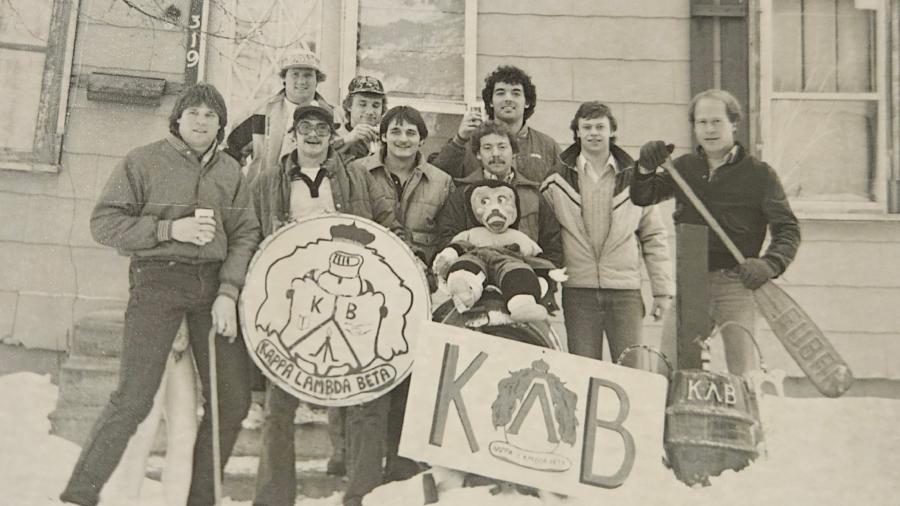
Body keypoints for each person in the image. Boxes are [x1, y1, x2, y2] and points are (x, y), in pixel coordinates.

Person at [60, 82, 261, 506]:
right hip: (157, 283)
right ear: (178, 119)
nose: (202, 121)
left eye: (211, 115)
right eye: (194, 114)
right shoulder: (144, 161)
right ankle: (79, 495)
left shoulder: (229, 171)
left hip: (211, 290)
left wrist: (228, 290)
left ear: (221, 124)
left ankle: (200, 499)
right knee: (133, 399)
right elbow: (105, 223)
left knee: (232, 401)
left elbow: (245, 233)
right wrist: (169, 230)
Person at [249, 103, 400, 506]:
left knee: (366, 400)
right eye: (305, 127)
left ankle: (362, 496)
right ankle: (273, 498)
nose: (313, 134)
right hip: (293, 303)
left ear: (332, 135)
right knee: (279, 406)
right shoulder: (268, 182)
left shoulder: (355, 177)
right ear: (293, 134)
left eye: (321, 127)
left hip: (350, 301)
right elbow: (249, 236)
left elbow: (387, 225)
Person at [631, 88, 801, 375]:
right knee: (669, 367)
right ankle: (674, 420)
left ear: (734, 123)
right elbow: (643, 195)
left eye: (716, 122)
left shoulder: (759, 174)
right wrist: (645, 168)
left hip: (738, 284)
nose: (709, 129)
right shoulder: (683, 168)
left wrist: (770, 264)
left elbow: (788, 229)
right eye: (702, 122)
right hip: (692, 281)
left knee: (741, 373)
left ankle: (748, 420)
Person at [343, 105, 454, 505]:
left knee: (413, 386)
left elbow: (447, 235)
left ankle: (403, 480)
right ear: (383, 136)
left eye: (411, 132)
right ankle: (361, 486)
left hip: (420, 294)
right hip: (371, 290)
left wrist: (431, 265)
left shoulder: (441, 182)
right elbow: (354, 222)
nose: (403, 139)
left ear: (422, 140)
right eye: (396, 131)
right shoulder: (358, 172)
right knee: (370, 387)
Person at [540, 102, 673, 367]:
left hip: (625, 292)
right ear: (576, 133)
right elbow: (545, 237)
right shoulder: (556, 180)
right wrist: (547, 289)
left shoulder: (637, 178)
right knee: (583, 371)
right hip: (579, 291)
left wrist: (662, 292)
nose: (593, 133)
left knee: (633, 371)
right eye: (586, 127)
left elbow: (654, 237)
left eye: (600, 126)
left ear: (612, 130)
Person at [436, 120, 562, 270]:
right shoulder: (463, 194)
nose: (495, 154)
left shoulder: (532, 195)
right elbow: (447, 239)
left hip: (524, 281)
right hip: (476, 281)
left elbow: (552, 244)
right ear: (478, 154)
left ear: (514, 152)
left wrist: (543, 278)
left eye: (502, 147)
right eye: (487, 148)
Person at [104, 319, 197, 506]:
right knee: (142, 428)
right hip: (152, 331)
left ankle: (177, 500)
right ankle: (126, 499)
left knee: (185, 431)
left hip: (181, 343)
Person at [225, 47, 342, 181]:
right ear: (284, 78)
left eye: (308, 75)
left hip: (315, 195)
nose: (302, 81)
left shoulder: (334, 115)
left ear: (318, 79)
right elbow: (231, 156)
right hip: (264, 194)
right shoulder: (259, 112)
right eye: (295, 74)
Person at [430, 65, 561, 182]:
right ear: (491, 102)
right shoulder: (468, 143)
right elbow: (435, 183)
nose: (508, 99)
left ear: (527, 102)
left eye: (516, 93)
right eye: (500, 93)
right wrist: (459, 141)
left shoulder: (547, 146)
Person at [333, 75, 388, 162]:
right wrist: (348, 139)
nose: (369, 111)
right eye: (362, 104)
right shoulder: (334, 134)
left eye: (376, 105)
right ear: (349, 106)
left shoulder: (386, 138)